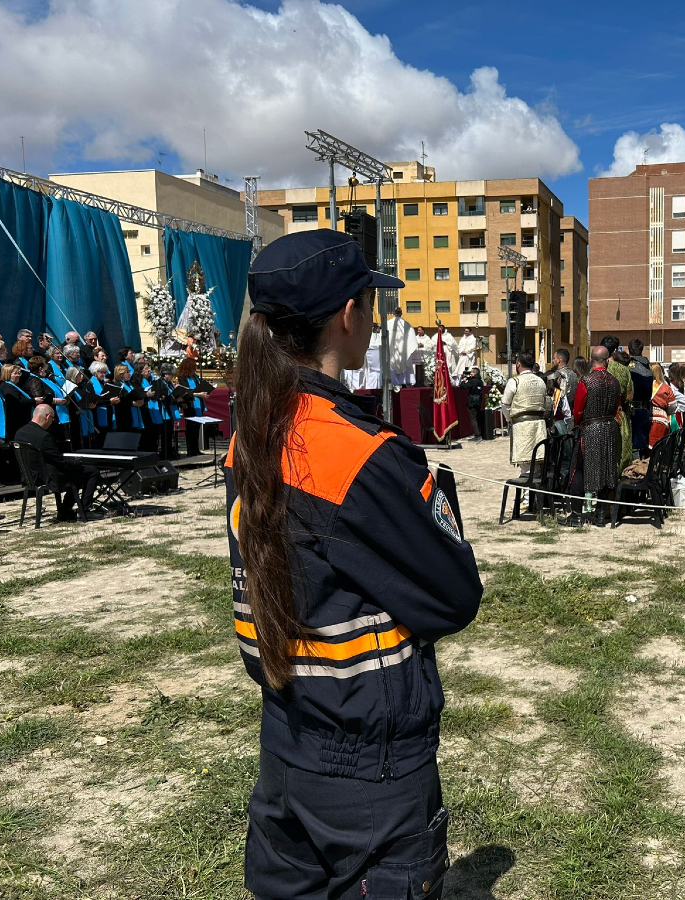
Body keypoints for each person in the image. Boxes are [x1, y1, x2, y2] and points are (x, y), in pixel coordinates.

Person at [228, 230, 481, 899]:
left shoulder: (254, 429)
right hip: (368, 761)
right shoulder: (357, 454)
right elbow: (455, 595)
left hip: (287, 734)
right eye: (371, 304)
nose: (373, 319)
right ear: (348, 315)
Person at [13, 404, 101, 521]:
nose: (52, 423)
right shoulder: (44, 436)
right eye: (53, 419)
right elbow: (61, 463)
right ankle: (84, 510)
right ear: (47, 416)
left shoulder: (19, 432)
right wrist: (77, 462)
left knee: (75, 473)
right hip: (48, 478)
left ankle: (65, 511)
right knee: (91, 471)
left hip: (29, 476)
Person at [569, 346, 621, 525]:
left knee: (579, 470)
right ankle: (600, 515)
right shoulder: (615, 382)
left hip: (590, 428)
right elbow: (616, 408)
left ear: (591, 360)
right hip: (610, 427)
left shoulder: (586, 380)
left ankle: (576, 515)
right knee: (606, 469)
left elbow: (578, 409)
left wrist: (578, 423)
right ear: (608, 360)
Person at [500, 350, 548, 478]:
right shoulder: (541, 381)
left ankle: (528, 497)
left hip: (522, 426)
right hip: (539, 425)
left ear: (518, 364)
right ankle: (533, 495)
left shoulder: (514, 381)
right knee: (536, 461)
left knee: (526, 465)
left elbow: (505, 404)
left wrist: (510, 419)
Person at [600, 336, 633, 477]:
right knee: (620, 455)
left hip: (598, 418)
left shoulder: (593, 370)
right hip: (618, 417)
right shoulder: (624, 370)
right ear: (615, 351)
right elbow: (629, 396)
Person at [176, 356, 212, 456]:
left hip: (198, 405)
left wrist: (205, 392)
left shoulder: (195, 377)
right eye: (193, 367)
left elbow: (199, 387)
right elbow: (185, 391)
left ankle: (196, 449)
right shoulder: (182, 378)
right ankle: (191, 451)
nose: (195, 369)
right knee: (191, 429)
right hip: (190, 405)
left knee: (197, 428)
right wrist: (198, 394)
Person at [627, 339, 654, 457]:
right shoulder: (648, 367)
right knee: (643, 442)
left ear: (628, 351)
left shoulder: (629, 367)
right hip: (645, 408)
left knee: (634, 444)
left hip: (633, 409)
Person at [113, 363, 146, 439]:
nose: (129, 374)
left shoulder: (129, 384)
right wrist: (132, 403)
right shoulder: (117, 385)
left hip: (132, 413)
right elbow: (121, 399)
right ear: (121, 374)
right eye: (127, 372)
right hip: (123, 415)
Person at [647, 362, 676, 449]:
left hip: (647, 417)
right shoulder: (666, 388)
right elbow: (673, 406)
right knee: (659, 448)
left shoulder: (645, 386)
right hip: (661, 420)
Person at [463, 366, 487, 441]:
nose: (470, 373)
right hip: (478, 401)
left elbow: (463, 386)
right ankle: (479, 433)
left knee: (473, 418)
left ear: (474, 373)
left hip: (472, 401)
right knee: (477, 417)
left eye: (471, 372)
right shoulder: (480, 381)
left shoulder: (473, 381)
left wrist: (464, 381)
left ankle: (477, 435)